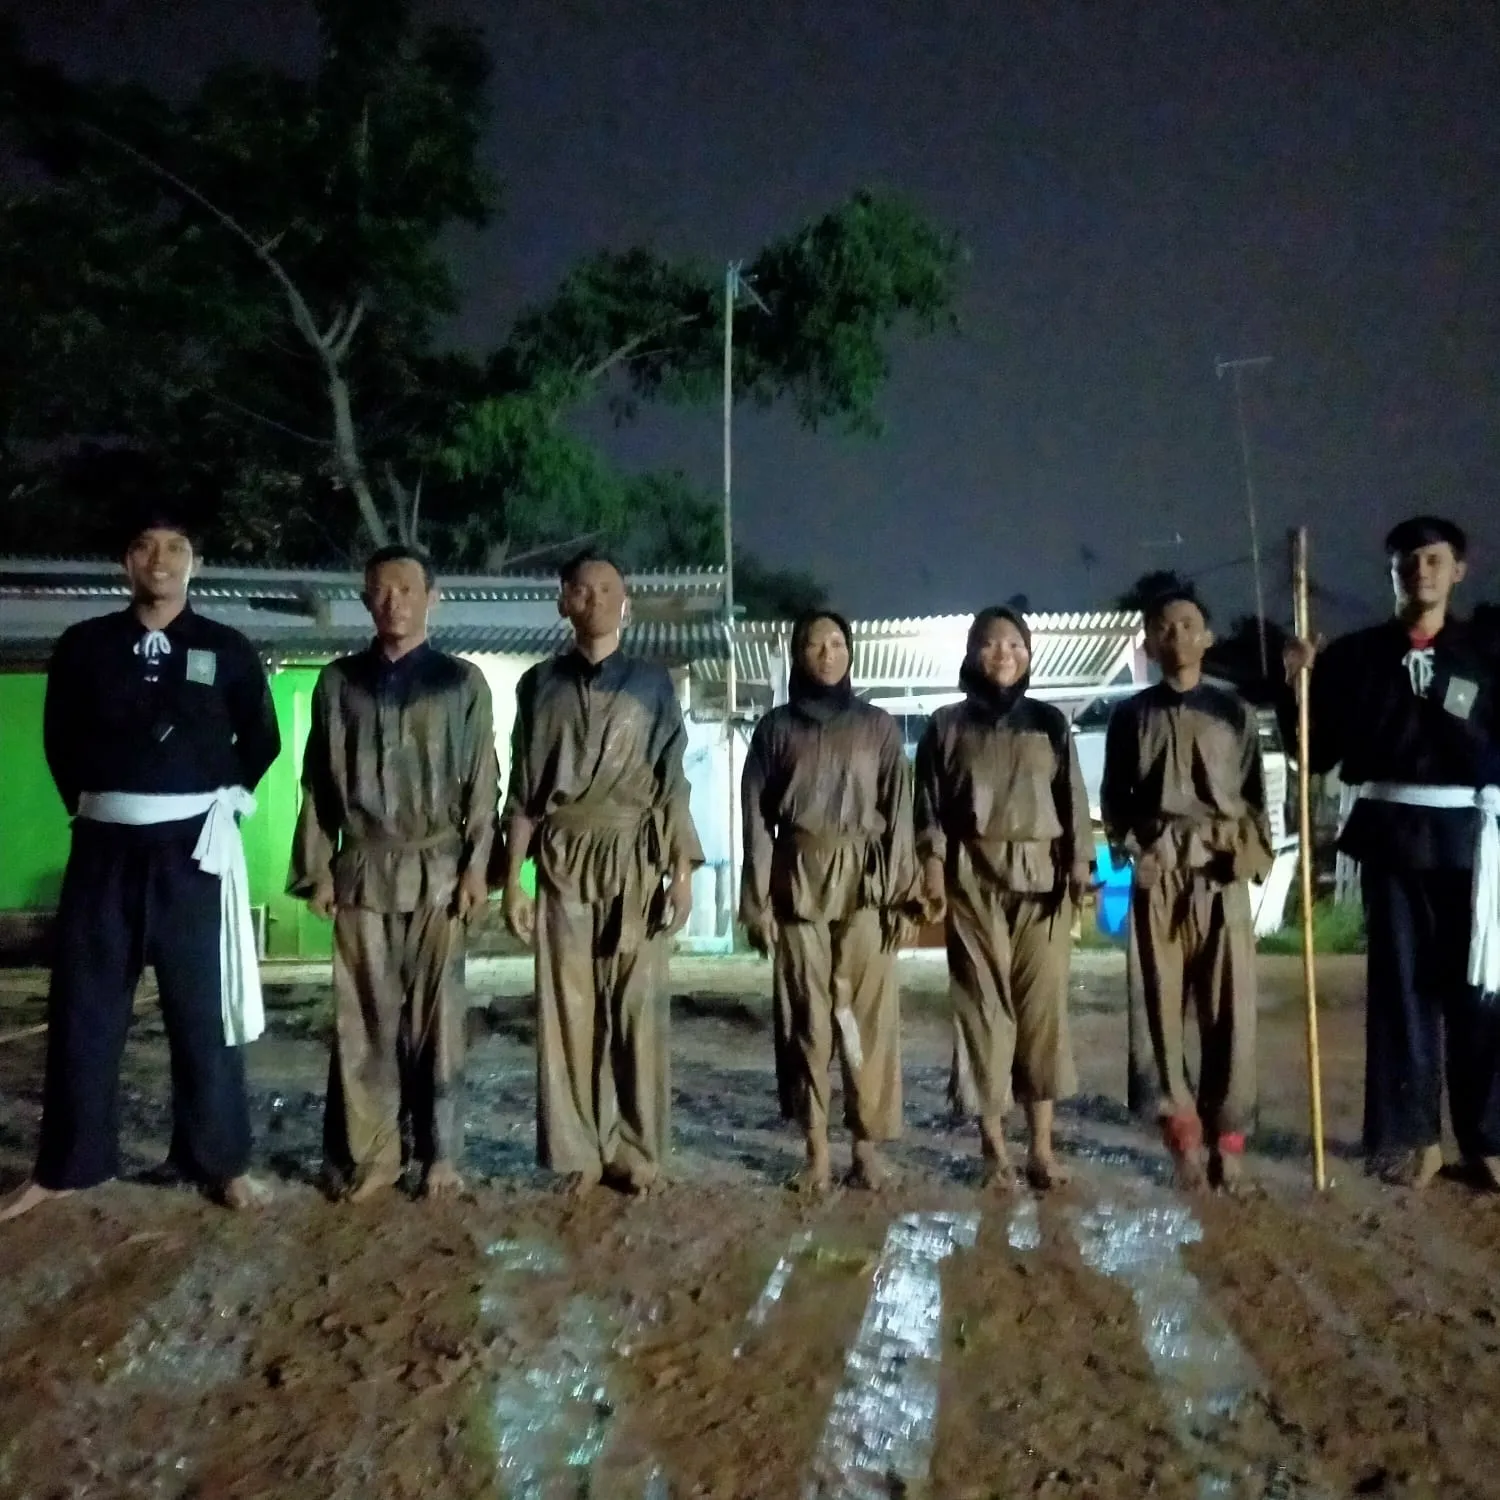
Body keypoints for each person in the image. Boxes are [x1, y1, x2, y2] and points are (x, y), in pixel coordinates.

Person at [1, 506, 280, 1223]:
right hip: (104, 848)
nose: (160, 560)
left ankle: (219, 1161)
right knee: (84, 1007)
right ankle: (69, 1165)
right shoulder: (85, 645)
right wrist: (98, 805)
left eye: (176, 547)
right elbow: (59, 738)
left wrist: (226, 799)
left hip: (195, 851)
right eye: (145, 547)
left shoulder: (227, 647)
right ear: (125, 563)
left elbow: (262, 738)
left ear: (195, 564)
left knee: (202, 1010)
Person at [1284, 516, 1500, 1189]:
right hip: (1392, 836)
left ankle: (1489, 1138)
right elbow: (1316, 753)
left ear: (1458, 570)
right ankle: (1409, 1137)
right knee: (1401, 992)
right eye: (1407, 561)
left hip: (1472, 839)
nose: (1420, 571)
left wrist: (1447, 700)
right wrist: (1298, 690)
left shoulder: (1488, 651)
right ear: (1392, 574)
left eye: (1433, 560)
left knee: (1483, 991)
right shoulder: (1352, 657)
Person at [288, 545, 498, 1202]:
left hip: (439, 870)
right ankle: (373, 1157)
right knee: (364, 1020)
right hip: (362, 868)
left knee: (440, 1023)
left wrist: (478, 870)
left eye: (407, 589)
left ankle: (441, 1155)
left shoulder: (463, 683)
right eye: (381, 590)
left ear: (433, 598)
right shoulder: (338, 682)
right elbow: (318, 781)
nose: (394, 601)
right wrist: (319, 868)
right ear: (365, 600)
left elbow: (484, 785)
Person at [502, 552, 701, 1195]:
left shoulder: (653, 685)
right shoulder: (538, 685)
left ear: (626, 603)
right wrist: (512, 880)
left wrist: (681, 872)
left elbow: (672, 781)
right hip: (562, 857)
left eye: (608, 589)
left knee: (637, 1009)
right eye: (582, 590)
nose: (595, 600)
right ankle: (578, 1153)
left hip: (635, 859)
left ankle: (637, 1148)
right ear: (564, 601)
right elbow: (525, 789)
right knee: (567, 1010)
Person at [740, 610, 920, 1192]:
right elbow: (755, 820)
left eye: (837, 642)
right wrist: (757, 901)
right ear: (797, 654)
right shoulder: (774, 730)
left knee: (866, 1019)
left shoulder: (878, 727)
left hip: (865, 885)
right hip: (797, 882)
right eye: (814, 644)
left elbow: (900, 812)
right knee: (806, 1020)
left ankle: (866, 1148)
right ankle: (816, 1151)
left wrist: (903, 898)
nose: (826, 653)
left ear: (851, 652)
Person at [914, 607, 1093, 1190]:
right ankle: (994, 1150)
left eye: (1014, 643)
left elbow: (1072, 800)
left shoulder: (1050, 723)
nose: (1003, 653)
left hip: (1043, 881)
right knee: (982, 1013)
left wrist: (1080, 866)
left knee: (1042, 1014)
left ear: (1028, 654)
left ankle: (1041, 1148)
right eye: (990, 643)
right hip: (972, 880)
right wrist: (933, 869)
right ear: (971, 653)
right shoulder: (944, 726)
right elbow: (929, 810)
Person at [1101, 587, 1273, 1192]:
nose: (1176, 635)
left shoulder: (1234, 711)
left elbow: (1254, 798)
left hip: (1220, 874)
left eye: (1188, 624)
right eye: (1164, 627)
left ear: (1207, 637)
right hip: (1159, 876)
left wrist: (1248, 855)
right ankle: (1182, 1138)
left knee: (1231, 1012)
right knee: (1158, 1010)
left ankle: (1230, 1141)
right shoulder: (1130, 715)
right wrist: (1132, 853)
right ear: (1149, 643)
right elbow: (1115, 801)